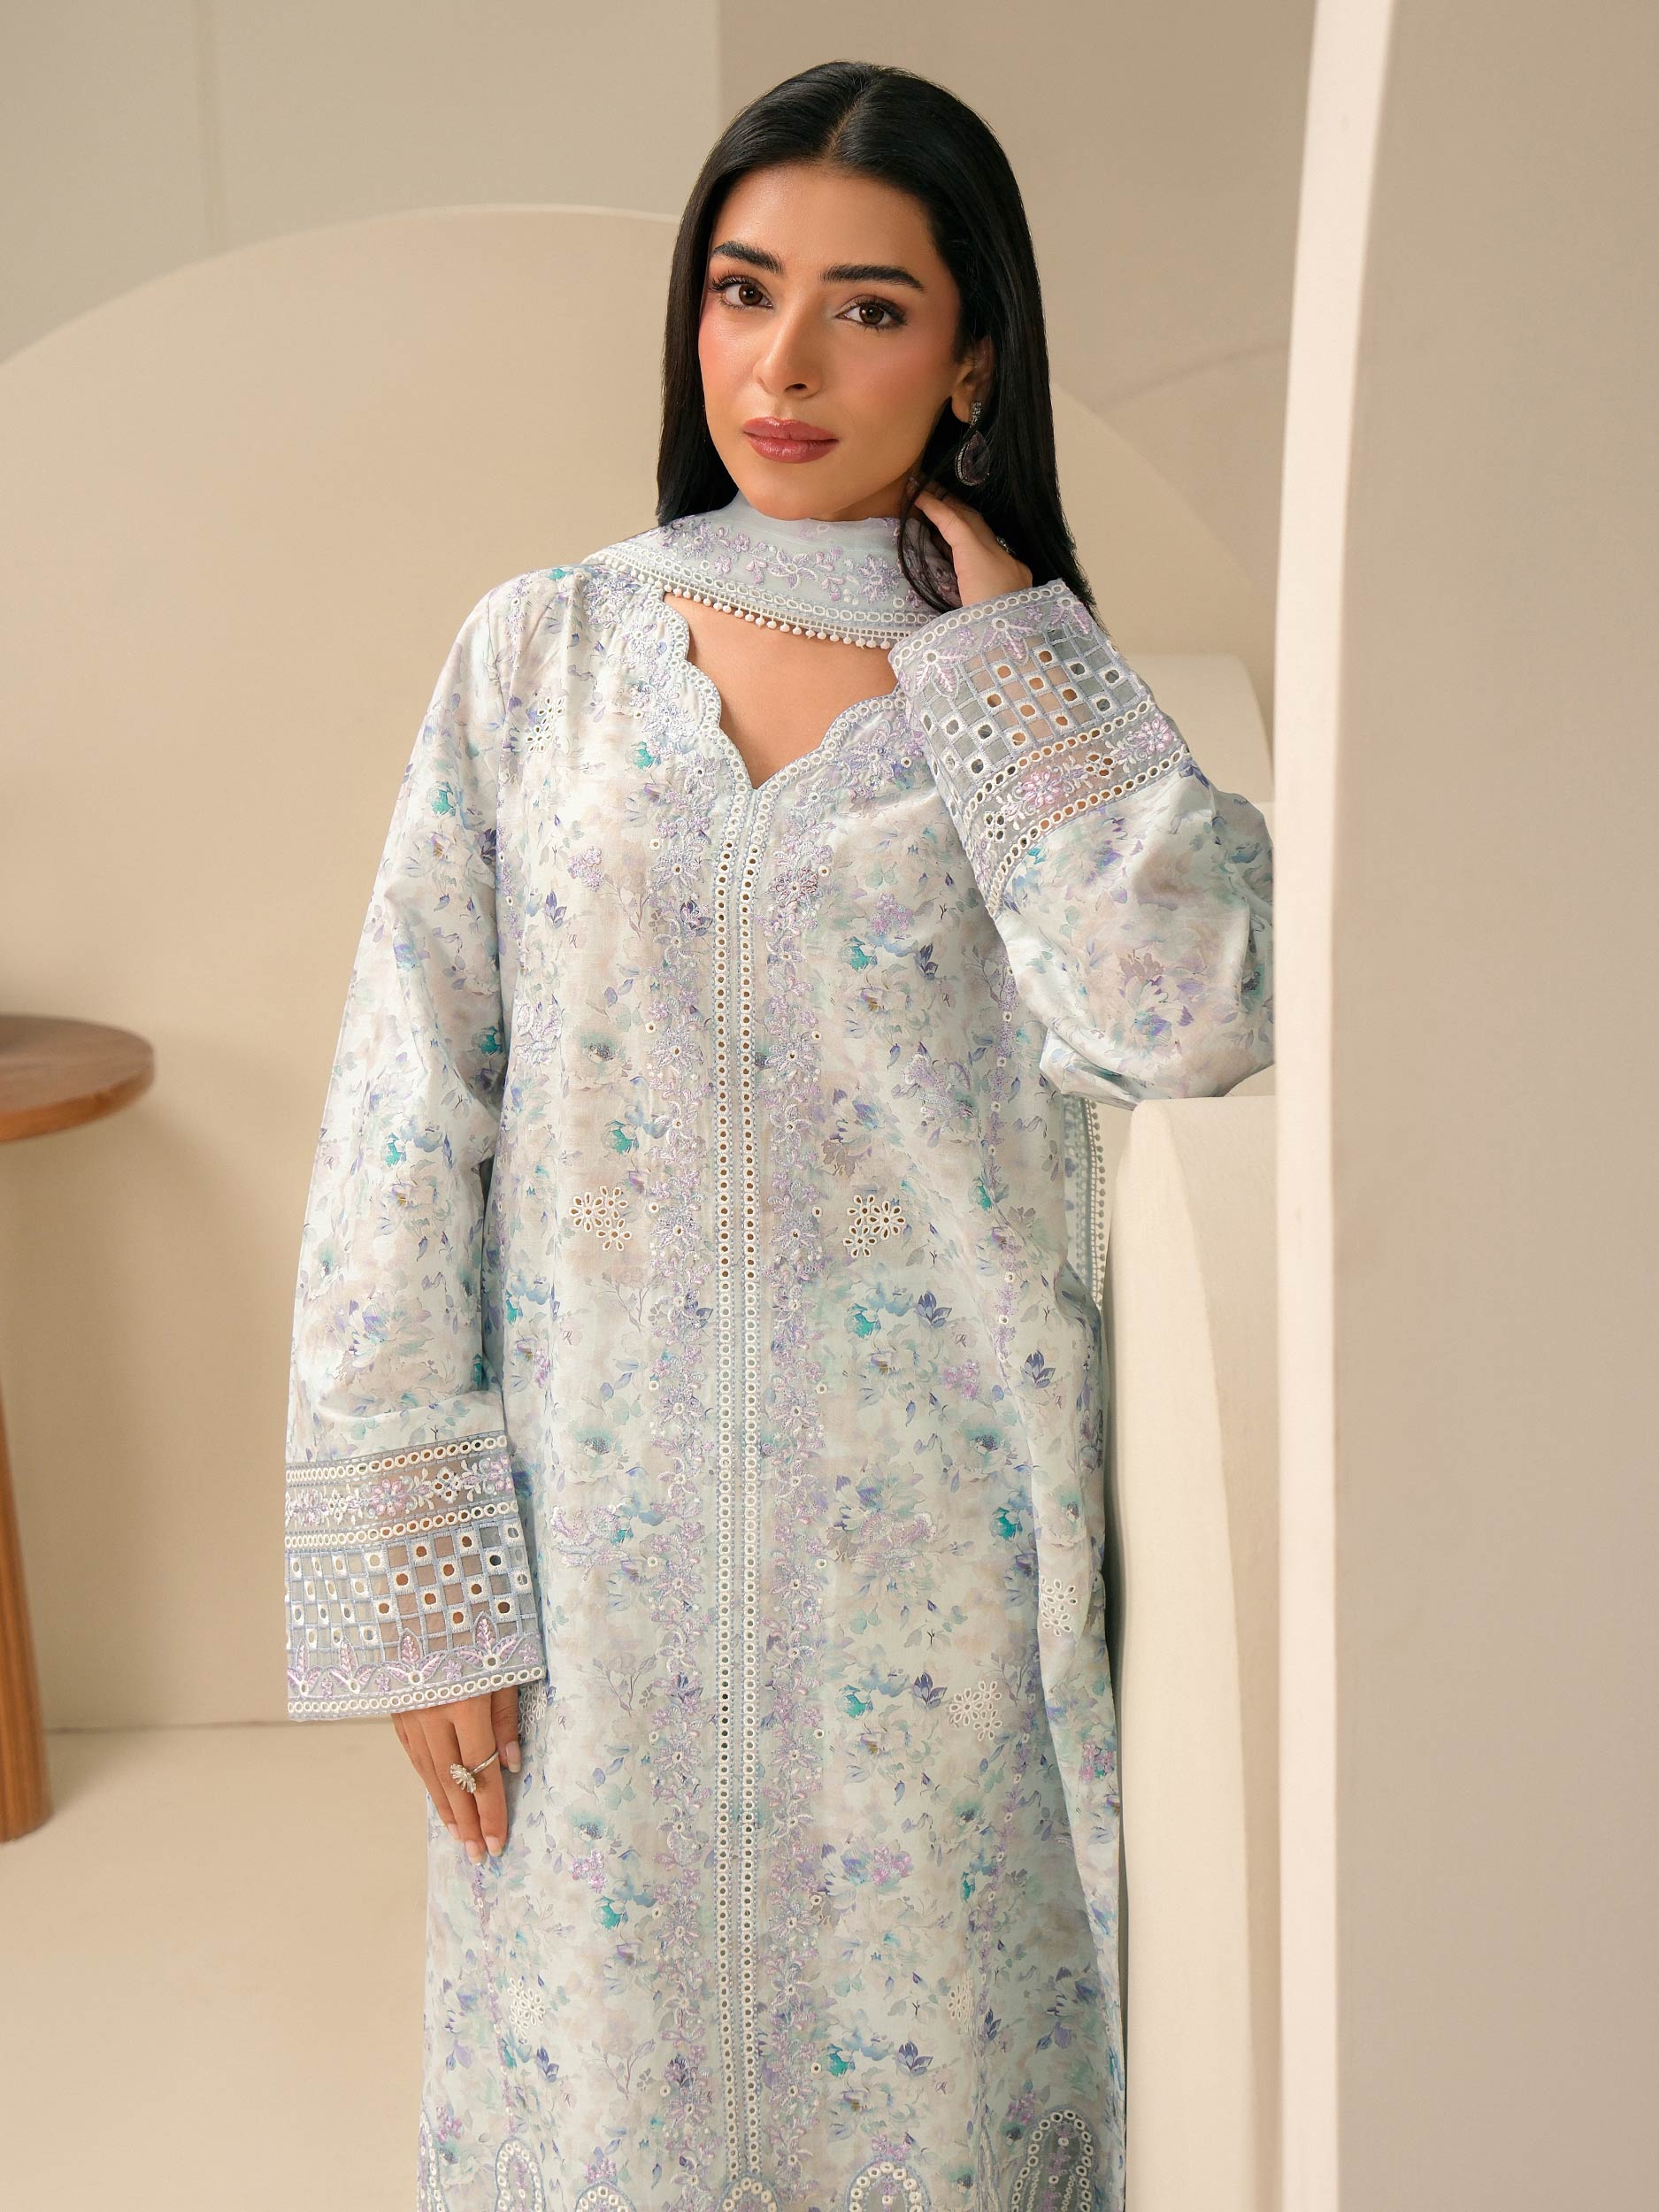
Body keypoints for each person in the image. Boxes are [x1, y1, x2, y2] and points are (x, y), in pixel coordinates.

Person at [282, 57, 1273, 2212]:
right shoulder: (541, 654)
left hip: (930, 1575)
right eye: (742, 292)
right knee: (604, 2105)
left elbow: (1186, 1010)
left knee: (926, 2106)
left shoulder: (1027, 689)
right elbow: (403, 1115)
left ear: (972, 357)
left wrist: (1003, 647)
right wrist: (432, 1582)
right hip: (595, 1561)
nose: (783, 364)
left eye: (867, 308)